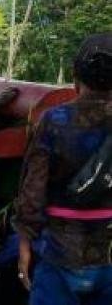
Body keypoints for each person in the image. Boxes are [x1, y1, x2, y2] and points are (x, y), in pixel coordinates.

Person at [13, 33, 111, 305]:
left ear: (75, 75)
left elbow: (32, 192)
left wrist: (24, 243)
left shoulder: (54, 120)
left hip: (60, 253)